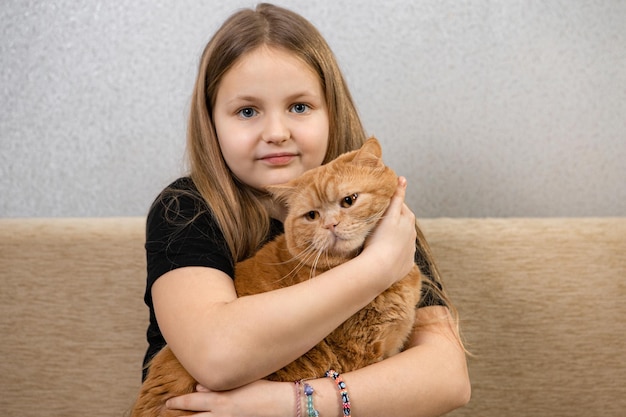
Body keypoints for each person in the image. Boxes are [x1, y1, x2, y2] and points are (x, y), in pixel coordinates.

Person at [143, 3, 470, 416]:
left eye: (299, 107)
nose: (277, 133)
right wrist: (378, 268)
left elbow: (448, 379)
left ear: (331, 110)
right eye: (247, 111)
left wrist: (291, 404)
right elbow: (217, 356)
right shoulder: (187, 208)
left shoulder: (372, 211)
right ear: (212, 122)